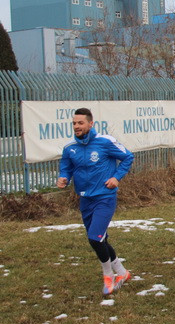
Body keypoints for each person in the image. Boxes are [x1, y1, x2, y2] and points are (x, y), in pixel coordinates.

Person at [57, 107, 135, 296]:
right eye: (74, 123)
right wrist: (63, 177)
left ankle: (108, 276)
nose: (77, 126)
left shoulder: (105, 142)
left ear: (91, 124)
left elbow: (127, 157)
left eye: (80, 123)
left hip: (105, 197)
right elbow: (66, 167)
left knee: (95, 237)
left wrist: (116, 177)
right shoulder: (69, 148)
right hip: (85, 199)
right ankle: (122, 272)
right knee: (100, 239)